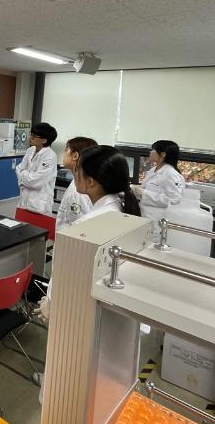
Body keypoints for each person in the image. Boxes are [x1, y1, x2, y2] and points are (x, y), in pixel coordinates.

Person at [40, 145, 140, 323]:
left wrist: (50, 303)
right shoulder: (120, 208)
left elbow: (66, 276)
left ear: (91, 181)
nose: (75, 174)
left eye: (78, 171)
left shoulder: (86, 227)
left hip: (78, 314)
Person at [133, 139, 185, 228]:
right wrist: (136, 189)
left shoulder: (171, 174)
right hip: (145, 215)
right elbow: (150, 188)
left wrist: (145, 193)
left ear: (163, 154)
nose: (150, 152)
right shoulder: (153, 170)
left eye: (153, 149)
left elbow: (174, 200)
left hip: (157, 220)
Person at [54, 136, 99, 234]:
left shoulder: (80, 190)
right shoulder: (78, 181)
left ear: (75, 156)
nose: (64, 153)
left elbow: (82, 226)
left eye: (66, 150)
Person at [15, 122, 58, 215]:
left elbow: (36, 181)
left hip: (39, 205)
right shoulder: (30, 150)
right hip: (24, 200)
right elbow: (18, 168)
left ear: (44, 140)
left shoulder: (50, 156)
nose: (30, 137)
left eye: (34, 136)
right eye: (31, 134)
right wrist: (27, 176)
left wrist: (23, 175)